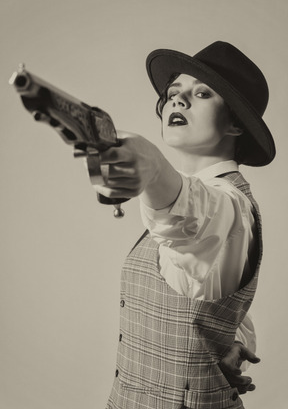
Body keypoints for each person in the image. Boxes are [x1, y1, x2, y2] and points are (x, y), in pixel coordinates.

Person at [90, 42, 275, 408]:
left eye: (201, 93)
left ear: (236, 122)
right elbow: (209, 287)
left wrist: (151, 167)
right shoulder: (208, 202)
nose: (177, 101)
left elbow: (191, 218)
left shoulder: (228, 206)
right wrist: (235, 339)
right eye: (173, 93)